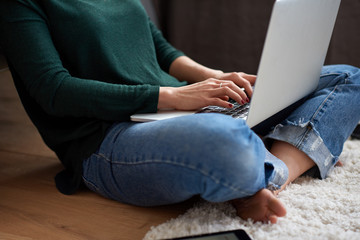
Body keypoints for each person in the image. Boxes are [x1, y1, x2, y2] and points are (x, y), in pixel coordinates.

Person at [1, 0, 359, 224]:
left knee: (348, 77)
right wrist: (172, 97)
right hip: (110, 136)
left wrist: (216, 79)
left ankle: (269, 171)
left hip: (180, 108)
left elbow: (158, 48)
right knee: (227, 140)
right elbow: (54, 90)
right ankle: (292, 148)